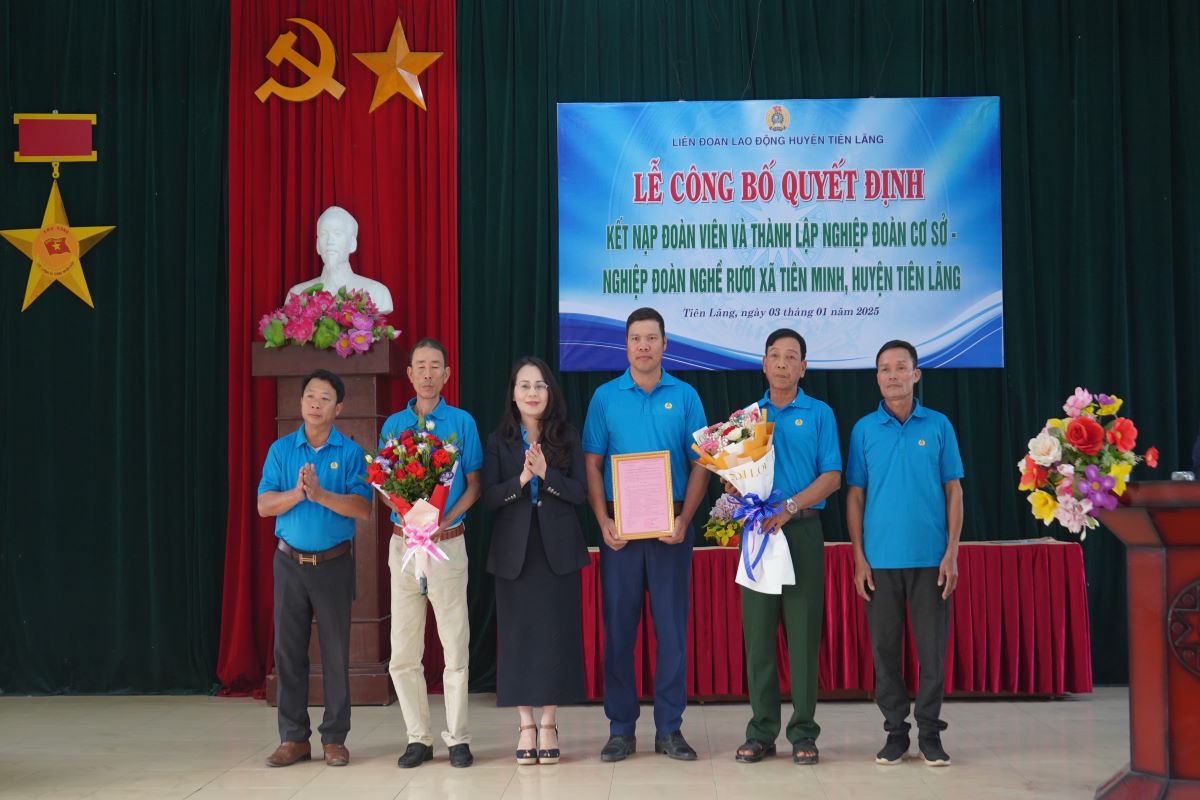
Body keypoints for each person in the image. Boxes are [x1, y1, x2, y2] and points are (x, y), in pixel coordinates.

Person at [582, 307, 710, 762]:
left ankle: (670, 729)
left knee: (672, 630)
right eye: (635, 338)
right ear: (626, 344)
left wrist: (685, 518)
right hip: (621, 526)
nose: (643, 346)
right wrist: (602, 521)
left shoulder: (687, 395)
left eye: (651, 338)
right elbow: (593, 463)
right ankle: (620, 729)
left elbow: (702, 462)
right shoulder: (604, 397)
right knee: (619, 629)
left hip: (672, 524)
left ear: (664, 343)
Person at [846, 340, 964, 767]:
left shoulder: (938, 426)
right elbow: (855, 496)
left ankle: (930, 733)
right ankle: (896, 732)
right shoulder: (863, 429)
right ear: (876, 377)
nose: (892, 375)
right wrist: (859, 556)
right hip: (879, 562)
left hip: (931, 561)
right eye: (884, 368)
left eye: (901, 367)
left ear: (916, 375)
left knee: (932, 652)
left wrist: (951, 551)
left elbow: (954, 490)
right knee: (885, 652)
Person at [733, 329, 841, 766]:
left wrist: (792, 507)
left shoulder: (820, 414)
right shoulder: (747, 417)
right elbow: (734, 474)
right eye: (774, 356)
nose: (781, 363)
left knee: (802, 636)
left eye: (790, 357)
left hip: (802, 531)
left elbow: (832, 475)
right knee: (758, 637)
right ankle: (761, 731)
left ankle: (803, 732)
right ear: (763, 363)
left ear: (803, 367)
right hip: (759, 531)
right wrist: (733, 482)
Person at [256, 369, 373, 768]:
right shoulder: (281, 451)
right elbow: (263, 505)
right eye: (309, 395)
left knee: (336, 653)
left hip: (333, 564)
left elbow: (363, 509)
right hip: (289, 562)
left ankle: (335, 738)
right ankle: (294, 738)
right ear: (300, 402)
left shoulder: (351, 453)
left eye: (325, 397)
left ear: (338, 407)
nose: (315, 403)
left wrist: (322, 494)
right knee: (287, 652)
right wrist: (297, 493)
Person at [481, 357, 590, 765]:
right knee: (518, 639)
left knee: (553, 637)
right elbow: (490, 498)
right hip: (515, 553)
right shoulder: (498, 441)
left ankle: (549, 723)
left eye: (540, 386)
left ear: (550, 393)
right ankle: (525, 723)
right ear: (513, 393)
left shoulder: (567, 437)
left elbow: (579, 493)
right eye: (524, 385)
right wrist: (523, 481)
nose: (532, 393)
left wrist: (546, 474)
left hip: (556, 550)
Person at [381, 338, 482, 769]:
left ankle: (458, 738)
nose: (427, 373)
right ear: (409, 373)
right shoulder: (393, 426)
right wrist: (406, 514)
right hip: (404, 546)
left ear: (447, 374)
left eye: (435, 366)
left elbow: (475, 484)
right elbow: (384, 485)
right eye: (419, 365)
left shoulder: (461, 423)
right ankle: (417, 737)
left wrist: (443, 518)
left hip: (447, 543)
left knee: (454, 645)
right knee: (403, 649)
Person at [287, 205, 395, 314]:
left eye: (337, 233)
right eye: (324, 234)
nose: (330, 241)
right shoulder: (297, 294)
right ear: (317, 245)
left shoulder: (377, 293)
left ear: (352, 243)